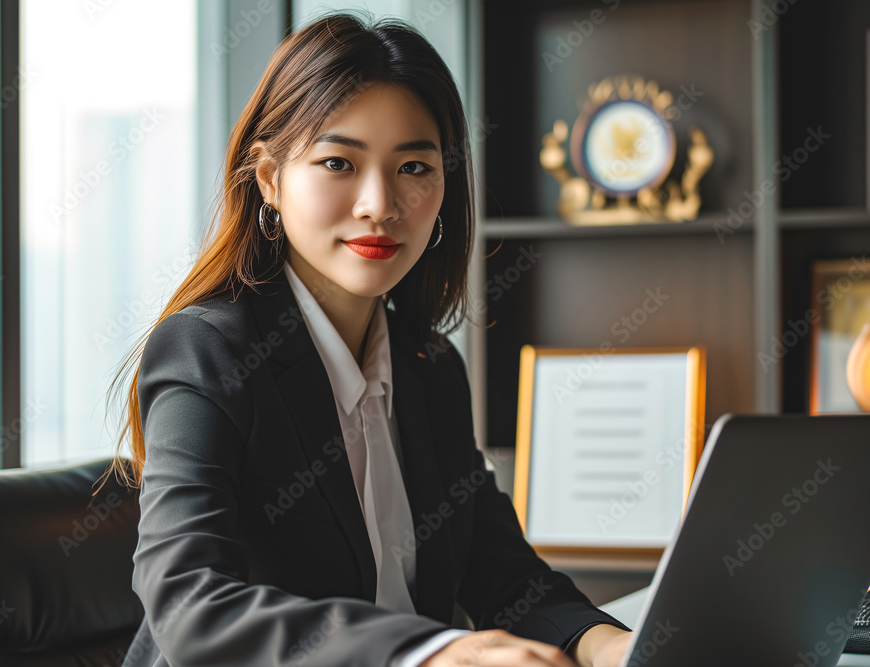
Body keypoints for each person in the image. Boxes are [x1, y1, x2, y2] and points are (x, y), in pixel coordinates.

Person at [102, 10, 634, 667]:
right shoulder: (210, 351)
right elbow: (190, 605)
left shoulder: (429, 365)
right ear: (269, 177)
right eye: (338, 162)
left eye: (414, 167)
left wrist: (613, 645)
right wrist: (432, 652)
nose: (379, 203)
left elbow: (501, 571)